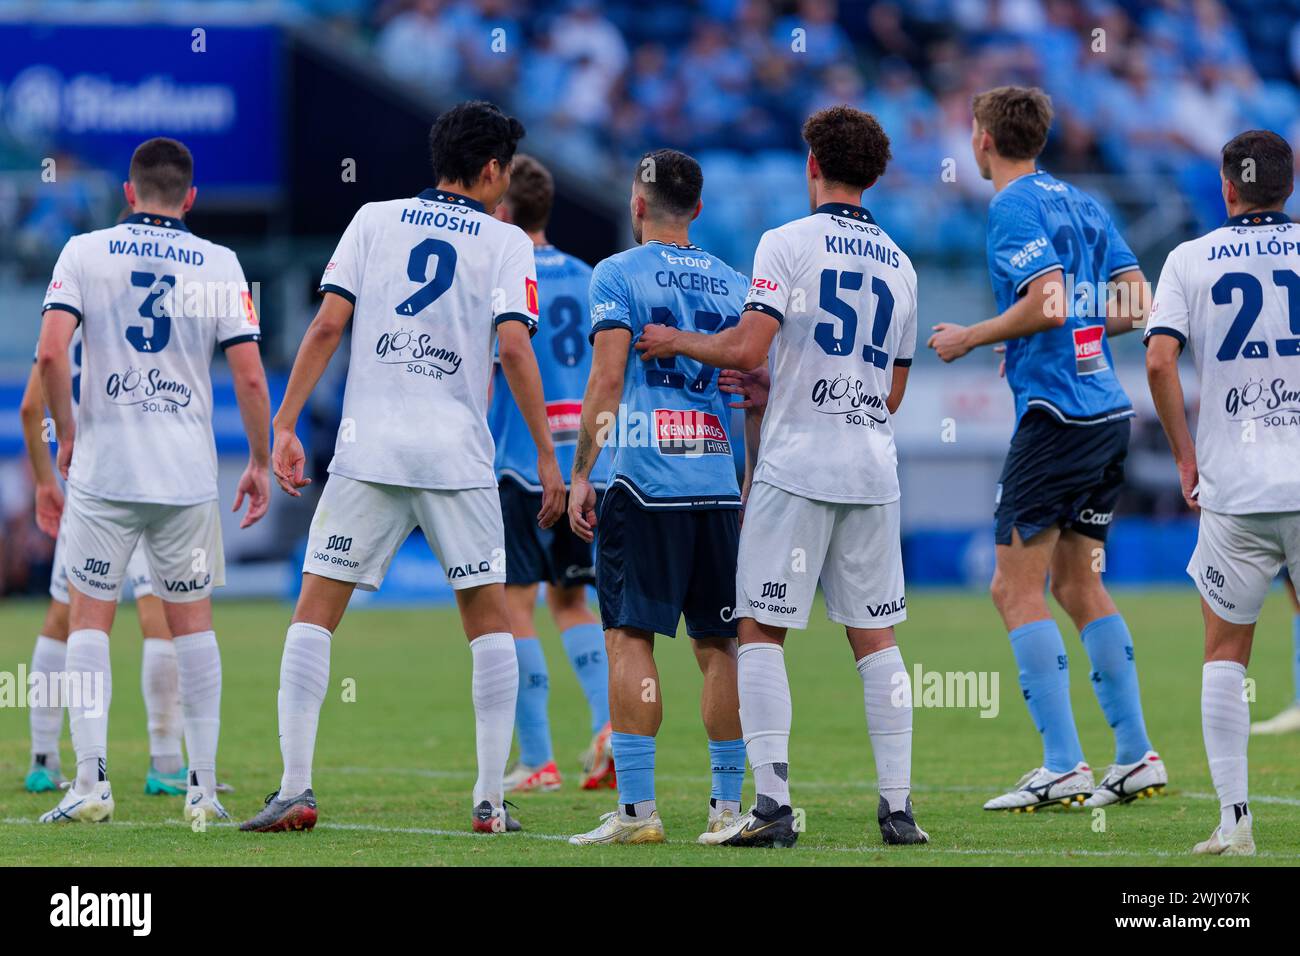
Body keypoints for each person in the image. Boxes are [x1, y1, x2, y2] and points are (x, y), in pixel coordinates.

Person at [238, 101, 564, 836]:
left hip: (370, 448)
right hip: (456, 454)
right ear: (490, 171)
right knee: (488, 619)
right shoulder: (506, 242)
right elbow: (514, 350)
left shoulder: (374, 218)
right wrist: (545, 455)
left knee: (315, 611)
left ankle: (295, 787)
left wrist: (285, 423)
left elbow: (327, 324)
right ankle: (488, 799)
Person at [636, 106, 927, 847]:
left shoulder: (786, 242)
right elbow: (890, 394)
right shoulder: (900, 261)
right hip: (870, 467)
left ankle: (770, 807)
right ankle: (899, 810)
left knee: (759, 629)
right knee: (876, 638)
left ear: (812, 166)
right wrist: (781, 382)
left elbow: (744, 346)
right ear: (873, 174)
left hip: (798, 463)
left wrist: (676, 340)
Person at [928, 86, 1166, 810]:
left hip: (1055, 416)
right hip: (1105, 414)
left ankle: (1063, 764)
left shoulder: (1013, 205)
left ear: (983, 141)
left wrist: (971, 336)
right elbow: (1138, 300)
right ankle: (1134, 756)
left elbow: (1049, 301)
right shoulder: (1084, 202)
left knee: (1013, 588)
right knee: (1078, 584)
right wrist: (1080, 338)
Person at [36, 136, 270, 824]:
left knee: (90, 622)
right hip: (186, 476)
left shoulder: (84, 251)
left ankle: (91, 783)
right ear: (190, 198)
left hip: (105, 470)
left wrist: (68, 431)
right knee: (192, 627)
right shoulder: (221, 262)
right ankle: (199, 789)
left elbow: (52, 351)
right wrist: (258, 459)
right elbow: (251, 374)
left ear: (128, 193)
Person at [567, 148, 748, 846]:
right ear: (697, 208)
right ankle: (727, 810)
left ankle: (638, 813)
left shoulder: (618, 272)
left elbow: (608, 381)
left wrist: (583, 471)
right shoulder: (733, 283)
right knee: (719, 645)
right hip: (715, 481)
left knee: (629, 637)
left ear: (637, 205)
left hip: (644, 481)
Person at [1145, 129, 1300, 856]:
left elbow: (1158, 362)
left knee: (1224, 651)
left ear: (1226, 188)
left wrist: (1186, 460)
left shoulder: (1189, 259)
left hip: (1234, 487)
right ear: (1288, 186)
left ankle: (1235, 822)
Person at [488, 154, 613, 793]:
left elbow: (495, 366)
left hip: (520, 461)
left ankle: (538, 760)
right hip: (584, 464)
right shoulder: (592, 278)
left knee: (514, 605)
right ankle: (607, 728)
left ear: (503, 211)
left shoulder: (499, 277)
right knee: (572, 600)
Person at [18, 347, 189, 798]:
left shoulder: (70, 314)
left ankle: (43, 759)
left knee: (65, 618)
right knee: (162, 618)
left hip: (91, 493)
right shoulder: (147, 306)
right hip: (155, 487)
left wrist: (44, 484)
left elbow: (31, 408)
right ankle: (167, 763)